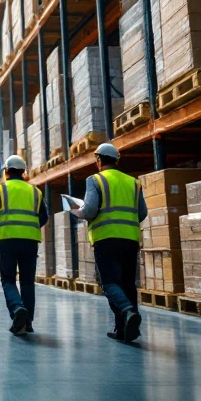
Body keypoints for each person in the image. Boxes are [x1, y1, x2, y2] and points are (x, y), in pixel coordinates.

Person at [70, 143, 148, 342]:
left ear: (98, 161)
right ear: (117, 160)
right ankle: (124, 330)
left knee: (110, 283)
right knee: (128, 284)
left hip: (106, 238)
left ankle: (128, 311)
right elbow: (142, 213)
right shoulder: (133, 182)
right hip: (130, 239)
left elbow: (89, 211)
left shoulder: (95, 180)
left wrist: (75, 211)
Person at [0, 155, 48, 335]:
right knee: (28, 282)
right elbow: (44, 216)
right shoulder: (35, 191)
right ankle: (27, 322)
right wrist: (30, 227)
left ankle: (17, 309)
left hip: (7, 240)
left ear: (6, 172)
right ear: (23, 172)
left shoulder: (0, 189)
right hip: (30, 241)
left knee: (8, 279)